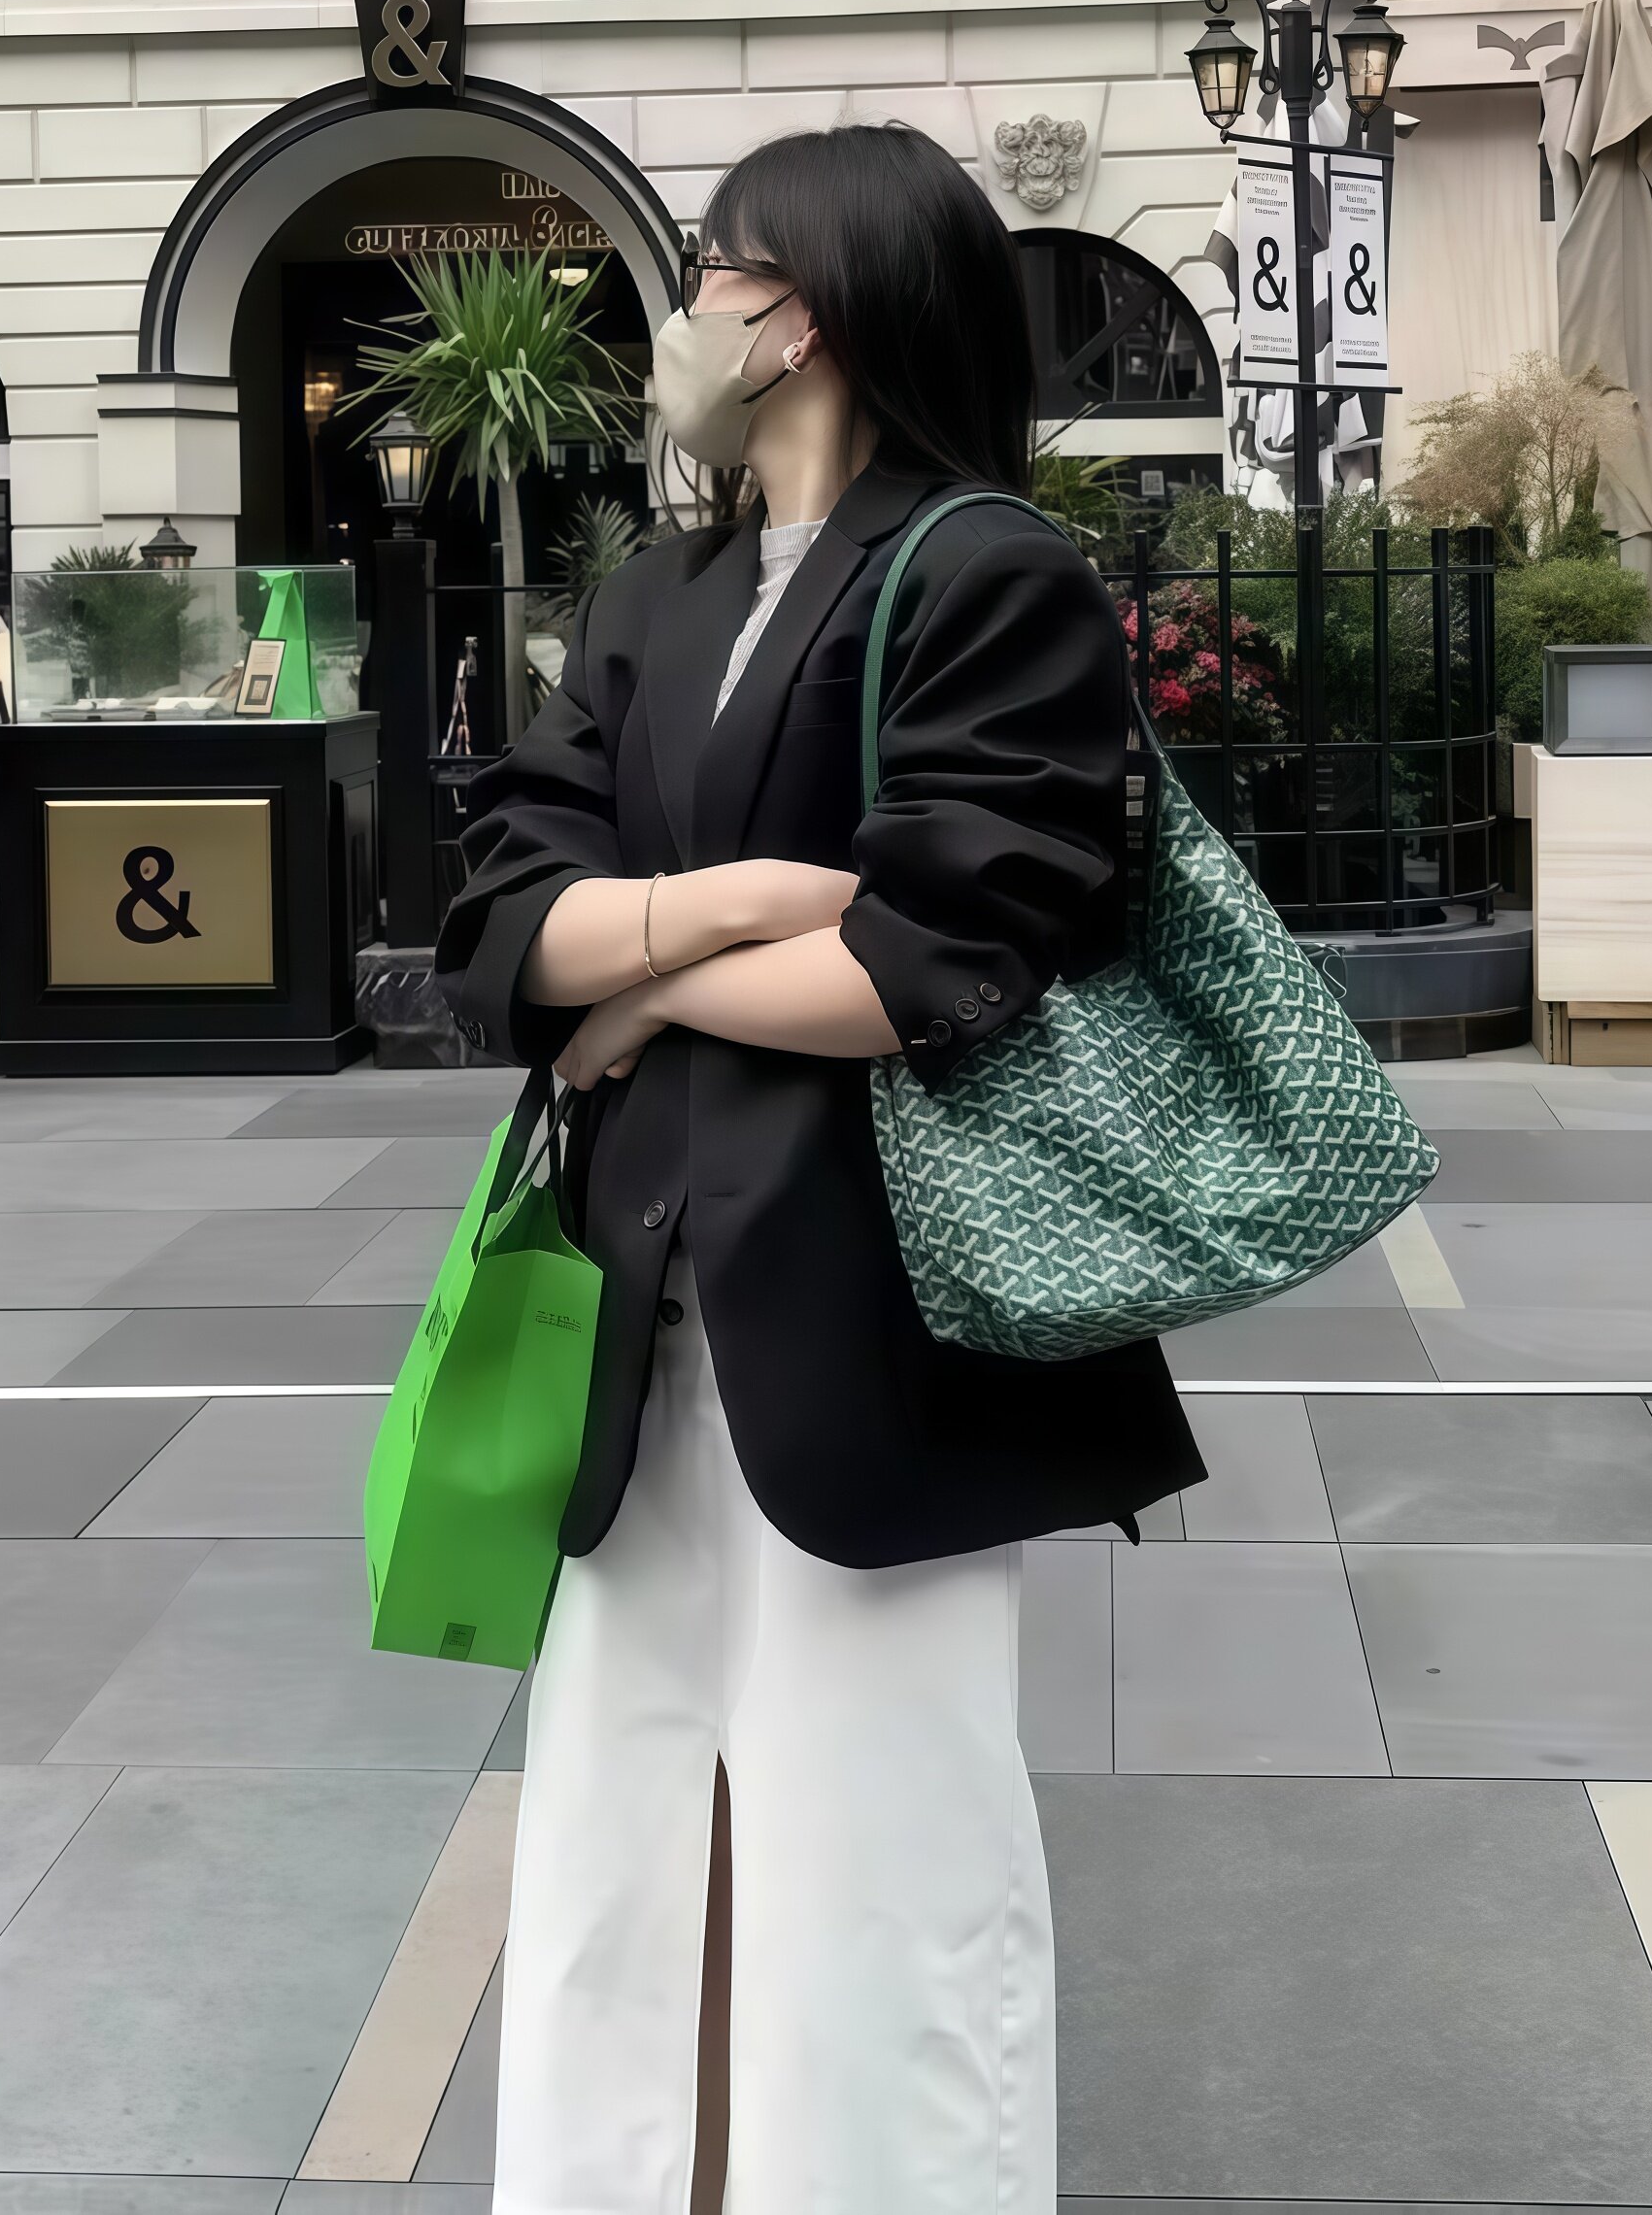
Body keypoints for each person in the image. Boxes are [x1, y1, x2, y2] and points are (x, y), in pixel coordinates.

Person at [436, 121, 1204, 2212]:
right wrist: (727, 910)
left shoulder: (982, 570)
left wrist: (639, 985)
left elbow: (931, 959)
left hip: (875, 1317)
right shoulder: (656, 588)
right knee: (609, 1865)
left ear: (821, 305)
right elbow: (501, 915)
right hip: (633, 1311)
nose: (685, 305)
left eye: (717, 264)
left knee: (882, 1881)